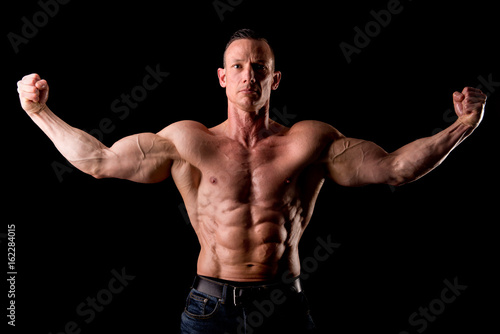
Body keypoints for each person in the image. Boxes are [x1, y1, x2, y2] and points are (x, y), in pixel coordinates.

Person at [17, 29, 486, 334]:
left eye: (260, 66)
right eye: (238, 67)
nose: (249, 75)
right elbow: (99, 160)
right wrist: (39, 112)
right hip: (209, 308)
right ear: (222, 78)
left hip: (283, 307)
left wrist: (462, 125)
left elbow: (394, 169)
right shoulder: (187, 141)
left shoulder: (310, 142)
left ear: (275, 79)